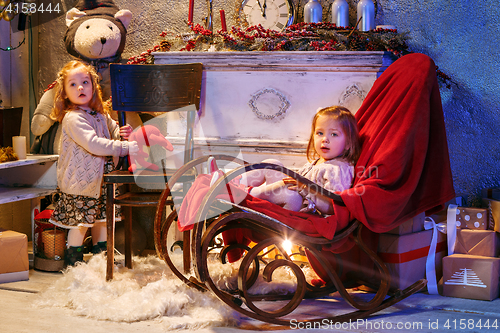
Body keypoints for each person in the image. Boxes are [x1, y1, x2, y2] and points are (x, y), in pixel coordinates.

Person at [47, 60, 139, 266]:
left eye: (85, 82)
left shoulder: (100, 114)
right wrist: (123, 148)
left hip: (102, 181)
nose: (80, 87)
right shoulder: (73, 118)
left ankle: (100, 262)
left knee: (102, 222)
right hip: (82, 183)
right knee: (80, 225)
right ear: (64, 93)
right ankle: (74, 264)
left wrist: (123, 133)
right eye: (73, 84)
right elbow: (94, 144)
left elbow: (113, 131)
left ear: (93, 86)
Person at [239, 106, 360, 216]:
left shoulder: (337, 169)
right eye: (320, 133)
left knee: (291, 195)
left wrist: (305, 189)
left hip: (304, 211)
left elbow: (332, 207)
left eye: (334, 134)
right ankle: (236, 181)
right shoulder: (317, 162)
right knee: (272, 165)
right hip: (292, 198)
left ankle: (246, 194)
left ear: (348, 143)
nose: (325, 139)